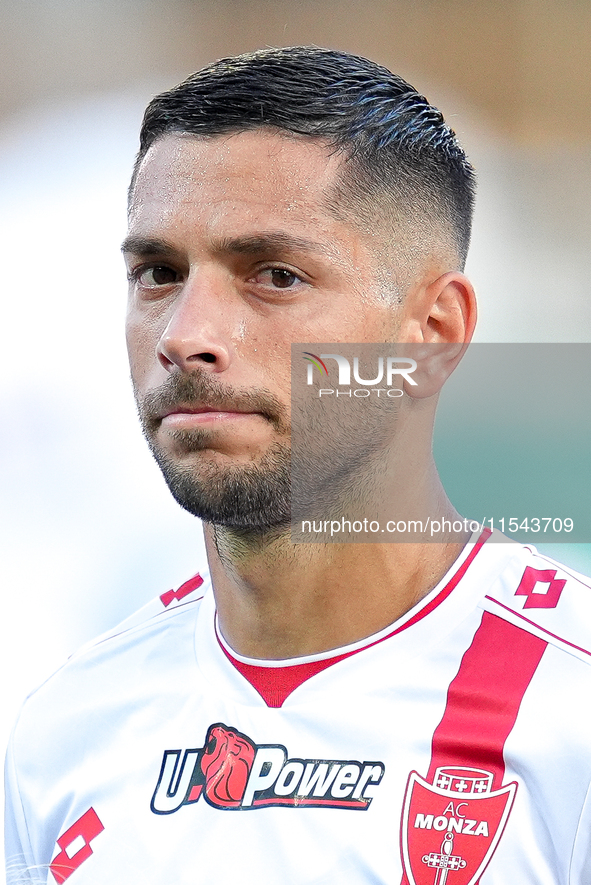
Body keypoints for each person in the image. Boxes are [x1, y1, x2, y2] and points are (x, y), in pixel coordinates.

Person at [5, 46, 591, 885]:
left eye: (273, 275)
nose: (185, 334)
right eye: (158, 273)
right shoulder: (67, 728)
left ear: (431, 333)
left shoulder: (569, 710)